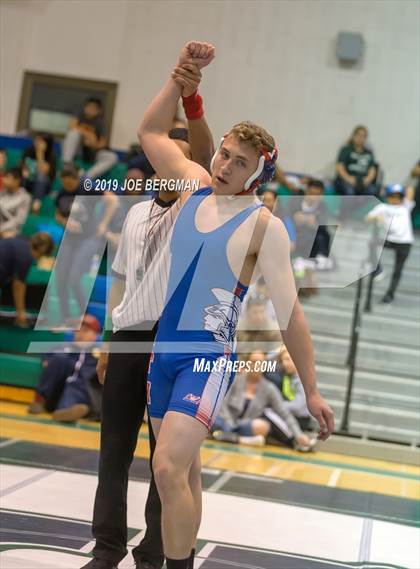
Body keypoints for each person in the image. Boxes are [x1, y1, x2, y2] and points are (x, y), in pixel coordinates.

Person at [139, 41, 334, 569]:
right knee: (186, 472)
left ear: (258, 175)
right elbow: (153, 133)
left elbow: (291, 314)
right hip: (164, 351)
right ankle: (183, 554)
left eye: (238, 162)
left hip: (207, 357)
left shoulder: (264, 229)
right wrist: (177, 84)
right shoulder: (193, 186)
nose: (223, 164)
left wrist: (312, 389)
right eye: (223, 152)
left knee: (166, 468)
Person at [82, 63, 214, 569]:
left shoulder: (196, 201)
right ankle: (108, 545)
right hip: (128, 334)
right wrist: (108, 339)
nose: (173, 157)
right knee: (113, 449)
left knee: (167, 461)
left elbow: (203, 151)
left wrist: (190, 96)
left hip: (172, 339)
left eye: (180, 151)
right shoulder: (135, 212)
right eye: (166, 149)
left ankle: (156, 550)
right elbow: (123, 279)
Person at [54, 164, 118, 325]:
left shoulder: (87, 187)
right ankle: (65, 317)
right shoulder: (63, 192)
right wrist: (64, 222)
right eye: (64, 183)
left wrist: (104, 224)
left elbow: (112, 199)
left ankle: (84, 318)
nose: (67, 187)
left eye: (70, 183)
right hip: (69, 239)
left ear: (77, 178)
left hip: (88, 238)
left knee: (74, 278)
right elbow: (58, 214)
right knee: (60, 279)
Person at [212, 351, 315, 451]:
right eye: (253, 362)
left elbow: (285, 414)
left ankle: (225, 436)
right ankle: (241, 439)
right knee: (211, 417)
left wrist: (299, 435)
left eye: (261, 363)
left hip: (244, 425)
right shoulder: (235, 380)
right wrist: (229, 423)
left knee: (263, 426)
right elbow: (222, 403)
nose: (257, 366)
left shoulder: (269, 388)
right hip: (225, 420)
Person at [28, 314, 101, 421]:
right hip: (56, 390)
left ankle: (65, 412)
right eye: (77, 331)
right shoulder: (63, 348)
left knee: (76, 384)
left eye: (85, 331)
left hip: (80, 393)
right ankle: (41, 401)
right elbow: (47, 362)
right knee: (60, 360)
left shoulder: (99, 355)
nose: (80, 334)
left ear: (95, 335)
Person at [365, 184, 415, 303]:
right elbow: (367, 219)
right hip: (388, 240)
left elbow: (411, 189)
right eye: (393, 196)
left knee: (398, 269)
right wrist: (377, 217)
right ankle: (377, 268)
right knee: (371, 243)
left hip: (404, 242)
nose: (396, 199)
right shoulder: (382, 207)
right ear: (387, 196)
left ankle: (390, 293)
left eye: (399, 196)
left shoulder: (406, 206)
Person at [0, 232, 54, 327]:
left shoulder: (21, 239)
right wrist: (21, 313)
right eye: (41, 256)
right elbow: (18, 285)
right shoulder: (26, 255)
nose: (37, 259)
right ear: (41, 250)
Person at [62, 97, 118, 179]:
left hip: (92, 152)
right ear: (85, 107)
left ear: (98, 111)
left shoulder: (101, 122)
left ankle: (87, 176)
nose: (91, 110)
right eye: (89, 107)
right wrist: (88, 135)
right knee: (73, 134)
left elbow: (103, 143)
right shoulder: (79, 114)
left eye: (94, 108)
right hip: (78, 149)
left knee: (112, 157)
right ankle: (67, 164)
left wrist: (93, 143)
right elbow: (71, 126)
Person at [265, 346, 315, 431]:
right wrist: (279, 350)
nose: (284, 363)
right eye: (283, 360)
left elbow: (297, 406)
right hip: (288, 413)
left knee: (268, 415)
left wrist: (275, 405)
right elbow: (262, 362)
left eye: (288, 359)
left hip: (300, 419)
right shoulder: (287, 375)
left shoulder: (303, 379)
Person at [335, 125, 378, 220]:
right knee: (349, 192)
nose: (360, 138)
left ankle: (349, 211)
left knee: (372, 191)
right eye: (358, 135)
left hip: (363, 181)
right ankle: (342, 217)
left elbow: (372, 169)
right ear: (353, 136)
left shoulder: (368, 153)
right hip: (346, 180)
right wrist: (348, 179)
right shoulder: (346, 150)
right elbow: (340, 167)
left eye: (363, 136)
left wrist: (367, 180)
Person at [21, 132, 57, 213]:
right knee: (22, 176)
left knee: (41, 176)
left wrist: (40, 153)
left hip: (43, 185)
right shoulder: (29, 150)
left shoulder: (51, 155)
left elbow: (42, 171)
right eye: (37, 139)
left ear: (47, 143)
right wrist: (24, 171)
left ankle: (36, 206)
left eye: (41, 141)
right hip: (28, 181)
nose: (37, 142)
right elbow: (23, 166)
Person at [0, 167, 31, 238]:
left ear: (17, 181)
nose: (4, 180)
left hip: (11, 232)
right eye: (4, 177)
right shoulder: (2, 193)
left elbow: (18, 220)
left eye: (8, 178)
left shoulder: (24, 197)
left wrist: (1, 229)